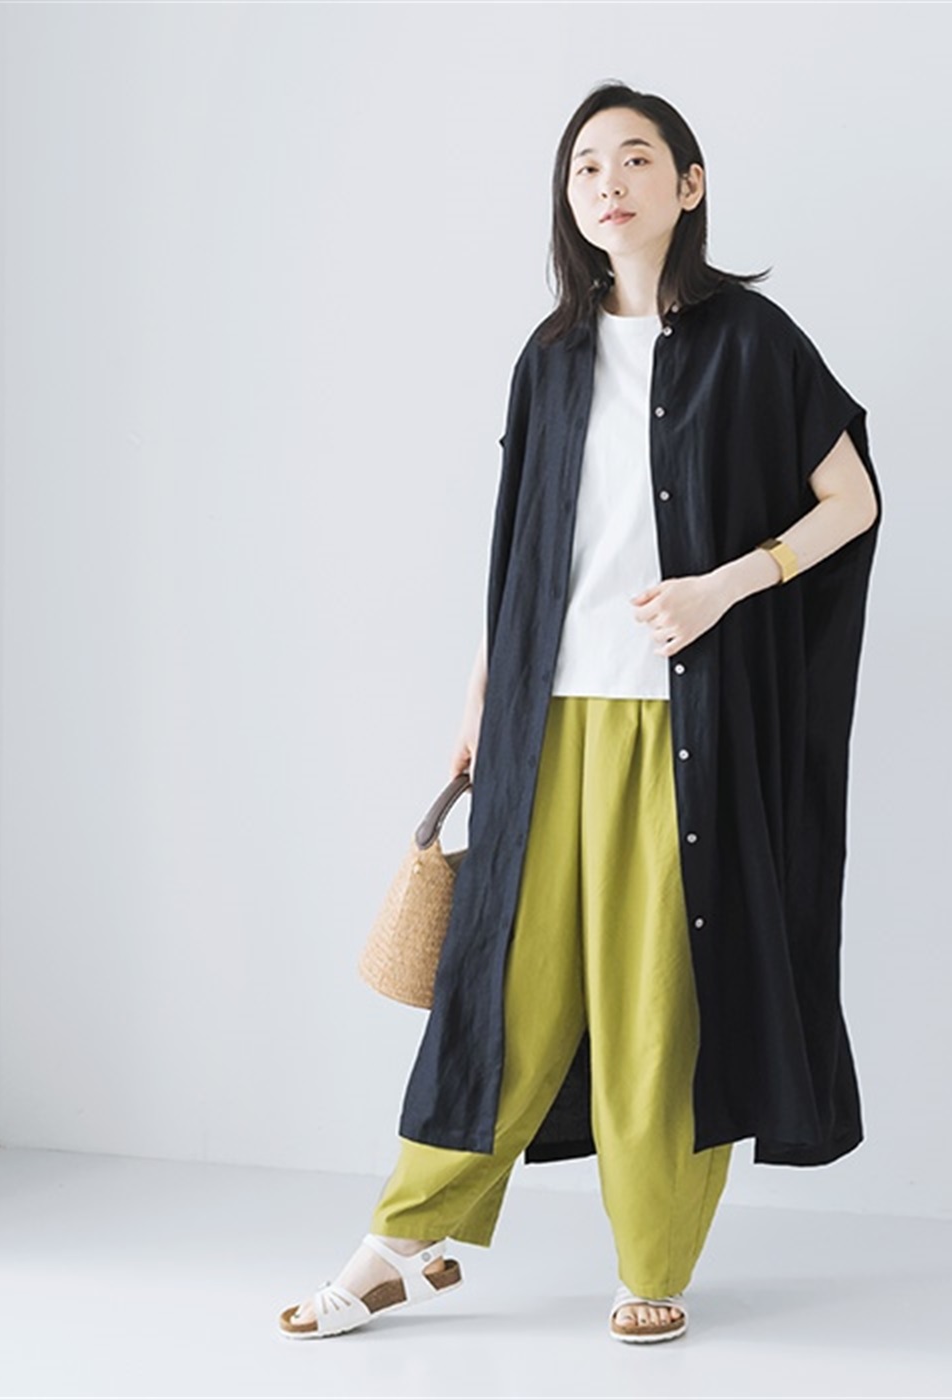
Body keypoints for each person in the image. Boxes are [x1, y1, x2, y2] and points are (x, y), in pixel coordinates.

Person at [279, 80, 881, 1346]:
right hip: (544, 718)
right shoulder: (548, 356)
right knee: (504, 984)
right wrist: (476, 698)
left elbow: (853, 500)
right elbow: (522, 550)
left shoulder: (753, 342)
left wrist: (727, 584)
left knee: (661, 993)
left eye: (637, 158)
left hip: (683, 725)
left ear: (689, 185)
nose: (609, 182)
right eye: (586, 166)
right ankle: (400, 1240)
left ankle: (651, 1257)